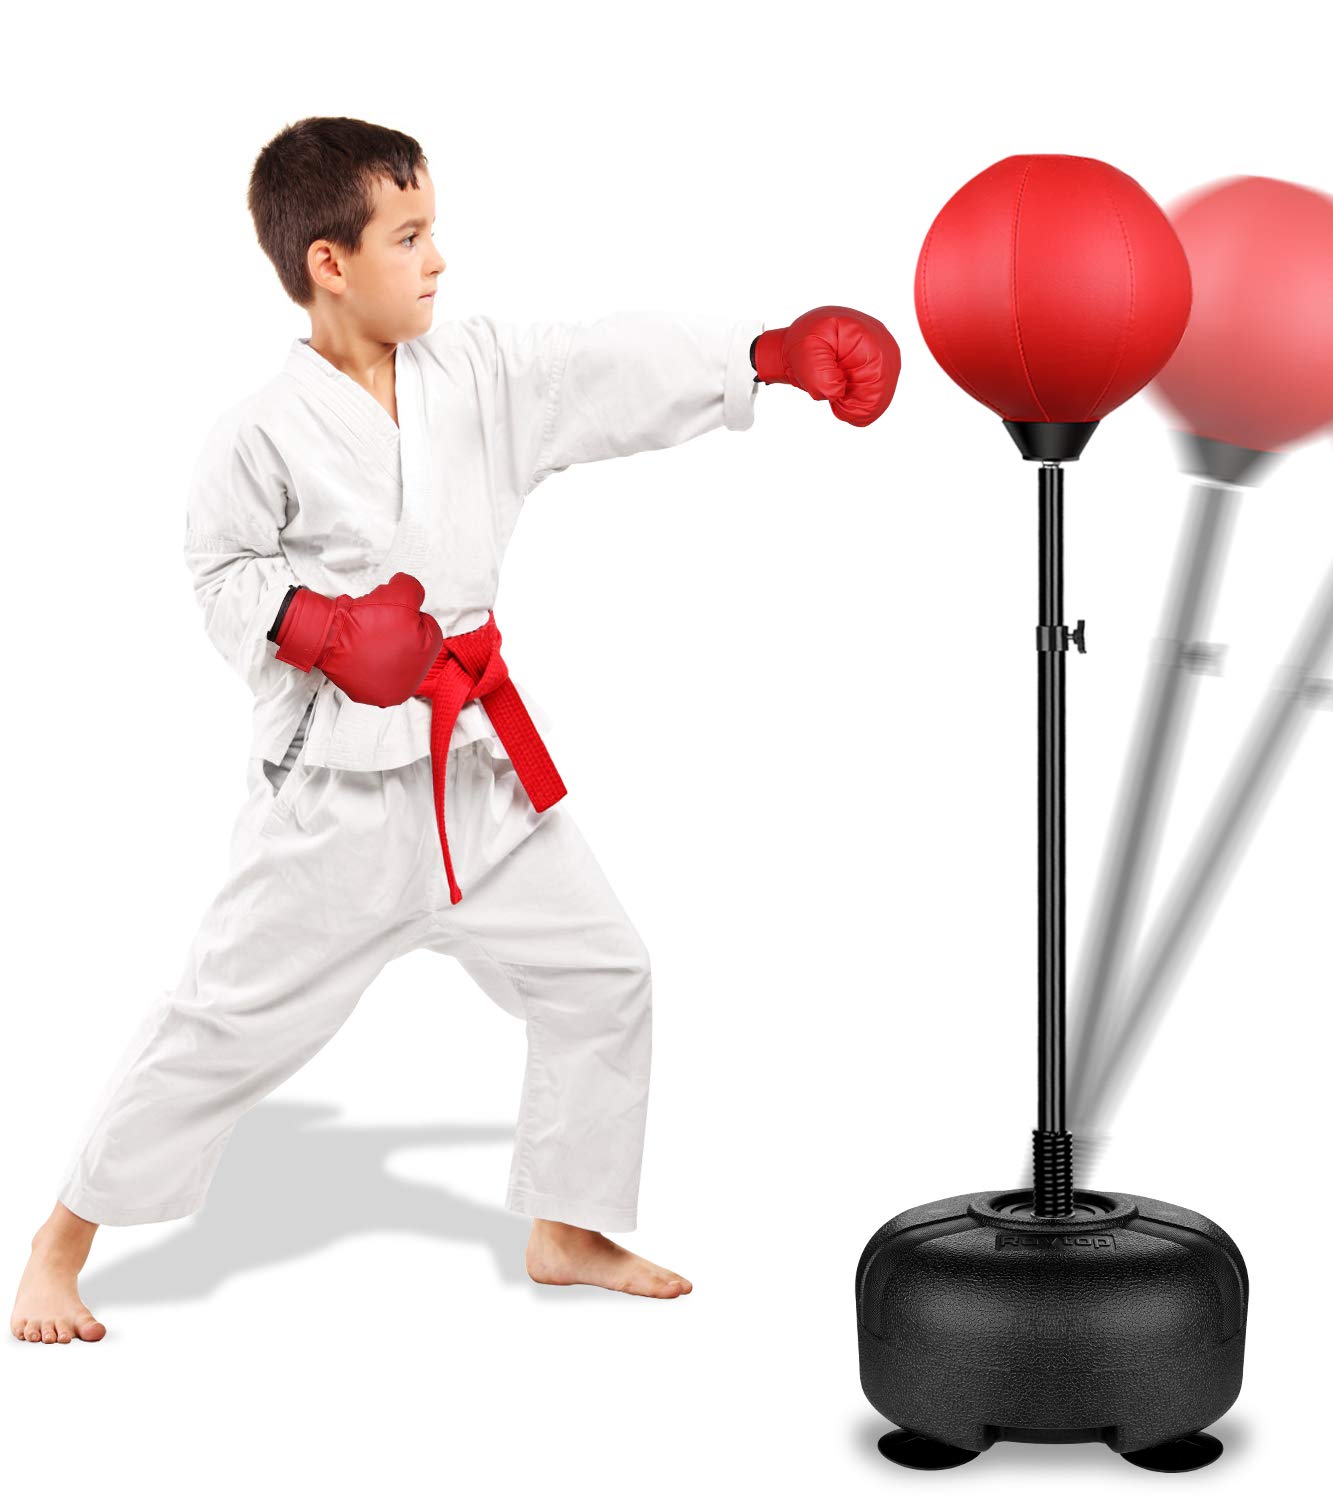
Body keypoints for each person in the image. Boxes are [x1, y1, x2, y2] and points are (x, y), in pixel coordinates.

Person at [10, 115, 899, 1342]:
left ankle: (566, 1225)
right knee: (222, 1024)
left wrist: (762, 355)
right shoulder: (258, 431)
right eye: (410, 236)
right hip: (333, 807)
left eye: (435, 232)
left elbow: (598, 367)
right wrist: (320, 627)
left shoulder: (476, 374)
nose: (438, 260)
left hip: (477, 780)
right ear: (329, 263)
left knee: (603, 971)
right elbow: (218, 570)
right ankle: (58, 1245)